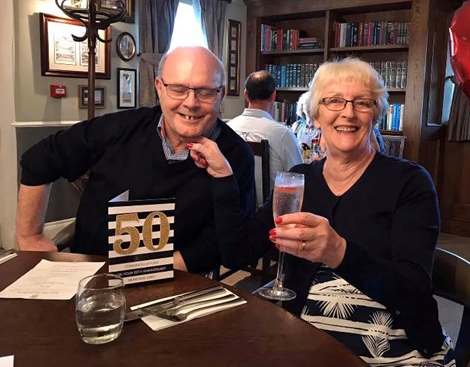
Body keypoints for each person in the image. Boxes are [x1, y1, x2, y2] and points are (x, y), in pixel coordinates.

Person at [188, 57, 454, 366]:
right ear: (314, 116)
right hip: (305, 339)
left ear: (376, 114)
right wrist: (224, 179)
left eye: (363, 103)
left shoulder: (410, 182)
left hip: (393, 346)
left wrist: (340, 251)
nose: (348, 113)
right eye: (334, 101)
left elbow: (415, 291)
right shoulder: (299, 180)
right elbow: (237, 252)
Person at [15, 46, 255, 273]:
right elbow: (40, 159)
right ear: (159, 87)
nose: (190, 103)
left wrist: (145, 271)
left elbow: (219, 244)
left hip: (175, 280)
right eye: (178, 89)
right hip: (91, 273)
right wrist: (30, 236)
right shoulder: (117, 128)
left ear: (221, 94)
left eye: (205, 92)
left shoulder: (235, 156)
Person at [227, 70, 303, 205]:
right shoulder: (283, 134)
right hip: (269, 214)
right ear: (274, 95)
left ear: (245, 94)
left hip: (234, 209)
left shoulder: (229, 129)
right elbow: (298, 178)